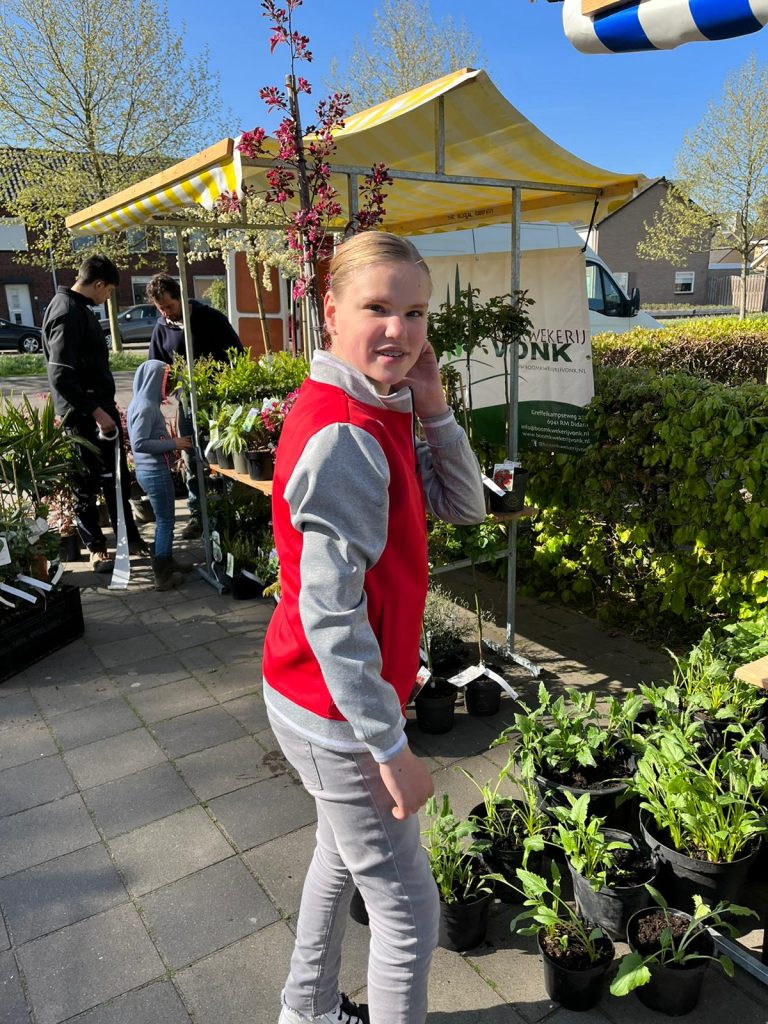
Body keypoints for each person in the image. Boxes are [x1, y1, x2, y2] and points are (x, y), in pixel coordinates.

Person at [263, 232, 487, 1024]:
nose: (401, 330)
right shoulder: (350, 431)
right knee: (406, 908)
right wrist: (390, 750)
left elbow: (465, 506)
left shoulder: (377, 406)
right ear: (330, 312)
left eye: (416, 312)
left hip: (310, 692)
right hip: (333, 709)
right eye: (378, 308)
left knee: (338, 854)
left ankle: (308, 1009)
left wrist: (434, 407)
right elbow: (333, 615)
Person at [42, 254, 148, 574]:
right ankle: (96, 549)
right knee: (86, 482)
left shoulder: (78, 309)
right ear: (98, 284)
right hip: (84, 417)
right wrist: (97, 412)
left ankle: (128, 537)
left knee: (116, 478)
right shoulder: (66, 312)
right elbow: (60, 375)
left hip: (99, 411)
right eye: (109, 291)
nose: (108, 298)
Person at [146, 273, 244, 538]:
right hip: (187, 402)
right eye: (161, 308)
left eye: (170, 306)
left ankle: (233, 511)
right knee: (190, 457)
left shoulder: (209, 319)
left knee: (224, 453)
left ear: (180, 298)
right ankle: (197, 514)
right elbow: (157, 366)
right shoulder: (161, 329)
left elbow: (237, 355)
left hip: (218, 399)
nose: (167, 312)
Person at [126, 360, 195, 590]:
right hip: (155, 473)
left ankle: (168, 560)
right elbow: (140, 443)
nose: (168, 383)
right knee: (165, 521)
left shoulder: (140, 403)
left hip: (149, 472)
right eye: (165, 379)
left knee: (164, 520)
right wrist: (173, 443)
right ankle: (163, 574)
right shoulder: (146, 406)